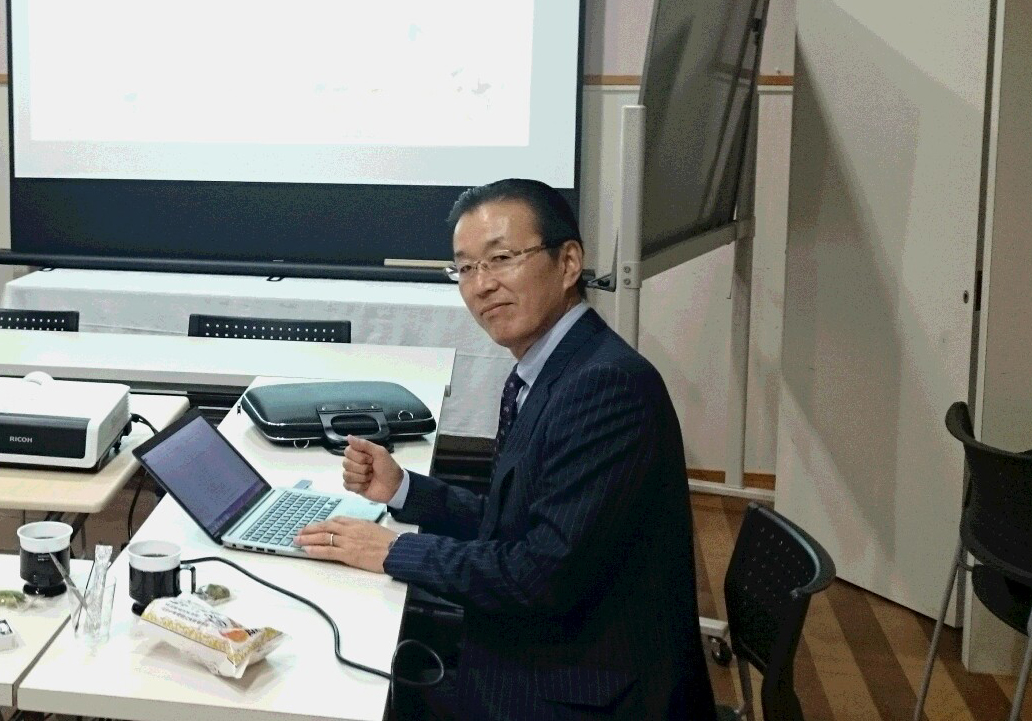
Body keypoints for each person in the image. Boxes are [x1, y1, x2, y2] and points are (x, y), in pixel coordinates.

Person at [295, 179, 717, 720]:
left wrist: (392, 551)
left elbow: (536, 575)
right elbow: (514, 525)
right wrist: (403, 490)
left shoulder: (605, 387)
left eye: (501, 259)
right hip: (553, 650)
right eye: (465, 268)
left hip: (586, 691)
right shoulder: (552, 367)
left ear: (568, 263)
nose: (482, 285)